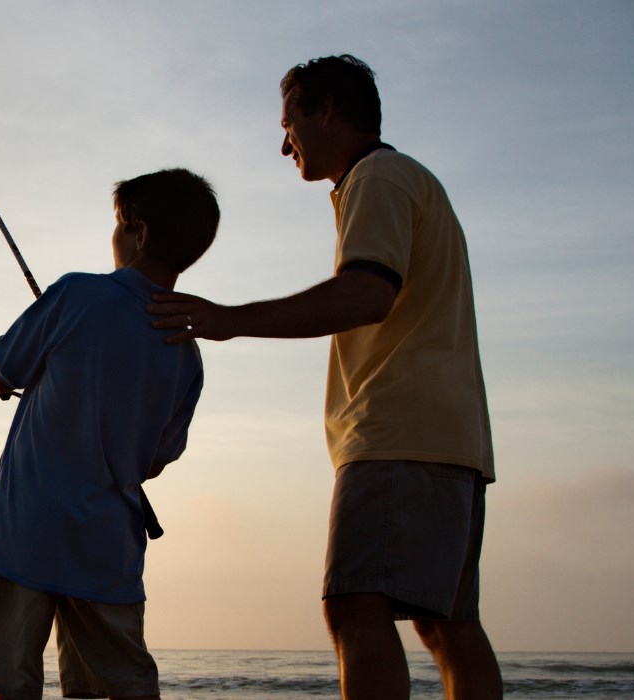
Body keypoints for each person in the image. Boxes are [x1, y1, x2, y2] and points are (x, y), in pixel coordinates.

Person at [146, 56, 502, 700]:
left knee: (355, 606)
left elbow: (366, 293)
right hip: (453, 440)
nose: (285, 145)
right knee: (447, 623)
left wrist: (230, 319)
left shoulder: (379, 178)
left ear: (328, 111)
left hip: (397, 432)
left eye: (290, 125)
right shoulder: (412, 180)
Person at [0, 168, 219, 700]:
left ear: (139, 233)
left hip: (23, 533)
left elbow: (5, 369)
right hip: (107, 550)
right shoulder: (187, 353)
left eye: (118, 224)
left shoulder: (76, 293)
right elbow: (155, 460)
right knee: (114, 687)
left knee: (12, 683)